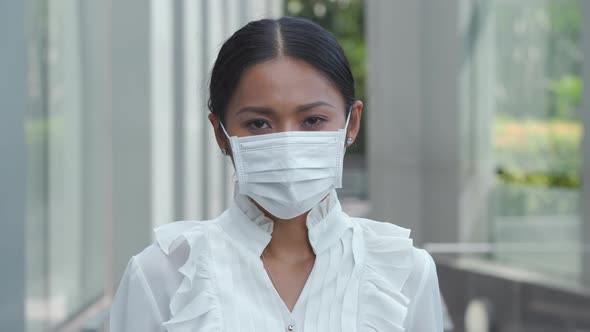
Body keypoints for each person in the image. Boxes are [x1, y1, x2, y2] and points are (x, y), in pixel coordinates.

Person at [110, 16, 443, 332]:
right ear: (221, 133)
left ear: (351, 123)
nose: (286, 142)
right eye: (258, 123)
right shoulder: (162, 276)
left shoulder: (404, 273)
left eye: (312, 120)